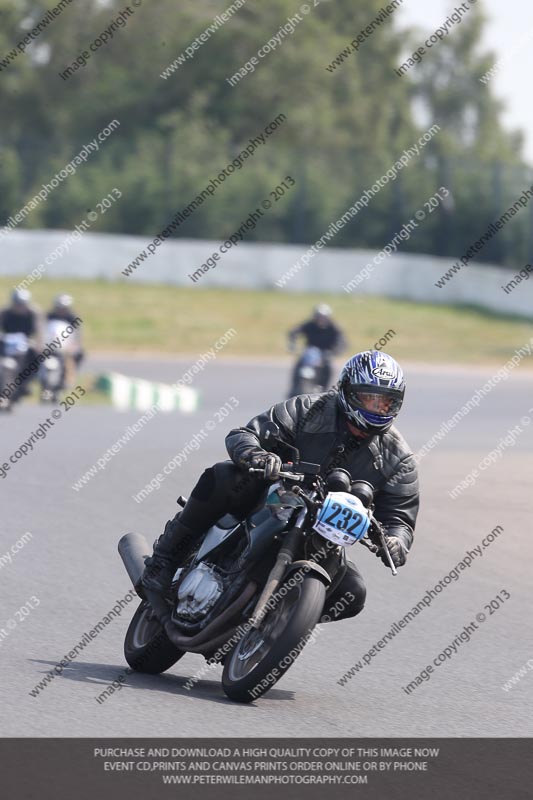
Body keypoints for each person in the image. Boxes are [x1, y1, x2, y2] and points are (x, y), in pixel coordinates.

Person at [141, 351, 419, 623]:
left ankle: (276, 625)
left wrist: (395, 542)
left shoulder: (399, 458)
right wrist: (259, 456)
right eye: (369, 398)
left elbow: (400, 518)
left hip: (325, 536)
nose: (376, 408)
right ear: (347, 390)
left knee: (353, 593)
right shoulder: (309, 409)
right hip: (275, 498)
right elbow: (246, 435)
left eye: (385, 403)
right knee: (224, 476)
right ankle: (164, 559)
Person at [287, 304, 347, 394]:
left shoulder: (333, 328)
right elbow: (294, 331)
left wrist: (335, 351)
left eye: (323, 317)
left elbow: (342, 341)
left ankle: (324, 391)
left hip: (325, 354)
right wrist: (293, 344)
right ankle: (294, 389)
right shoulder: (310, 325)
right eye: (319, 316)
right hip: (309, 352)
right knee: (299, 364)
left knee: (328, 369)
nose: (321, 319)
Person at [0, 289, 41, 396]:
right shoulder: (5, 313)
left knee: (37, 357)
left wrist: (38, 344)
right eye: (17, 304)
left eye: (22, 304)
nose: (20, 306)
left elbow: (40, 331)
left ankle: (26, 383)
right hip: (6, 342)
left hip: (26, 343)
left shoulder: (33, 313)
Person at [46, 294, 83, 387]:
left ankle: (68, 377)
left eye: (64, 308)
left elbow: (78, 335)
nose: (61, 310)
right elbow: (41, 331)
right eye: (59, 308)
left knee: (79, 354)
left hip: (66, 345)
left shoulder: (73, 318)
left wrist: (74, 346)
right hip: (49, 344)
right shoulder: (48, 317)